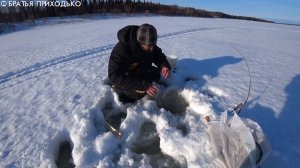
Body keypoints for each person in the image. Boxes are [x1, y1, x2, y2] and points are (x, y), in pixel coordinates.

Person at [108, 23, 171, 103]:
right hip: (125, 77)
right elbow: (114, 76)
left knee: (156, 74)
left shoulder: (149, 43)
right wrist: (144, 86)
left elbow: (158, 54)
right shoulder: (121, 50)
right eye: (149, 46)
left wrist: (164, 65)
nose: (152, 49)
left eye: (153, 45)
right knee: (139, 93)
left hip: (139, 69)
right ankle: (123, 95)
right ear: (139, 42)